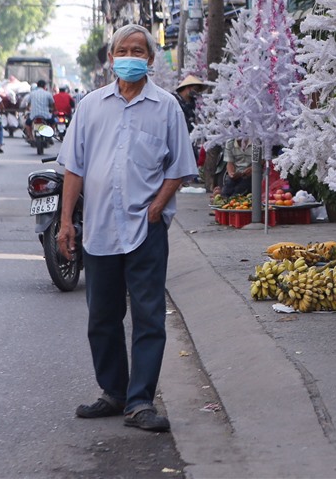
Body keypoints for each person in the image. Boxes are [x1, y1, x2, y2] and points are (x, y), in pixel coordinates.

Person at [57, 24, 197, 433]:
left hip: (145, 228)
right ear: (112, 57)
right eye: (124, 49)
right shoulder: (91, 106)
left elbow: (180, 167)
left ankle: (140, 402)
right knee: (102, 316)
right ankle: (113, 392)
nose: (131, 55)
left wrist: (158, 205)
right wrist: (66, 221)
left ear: (150, 60)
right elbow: (74, 167)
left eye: (139, 50)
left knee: (149, 317)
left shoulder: (166, 106)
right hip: (99, 227)